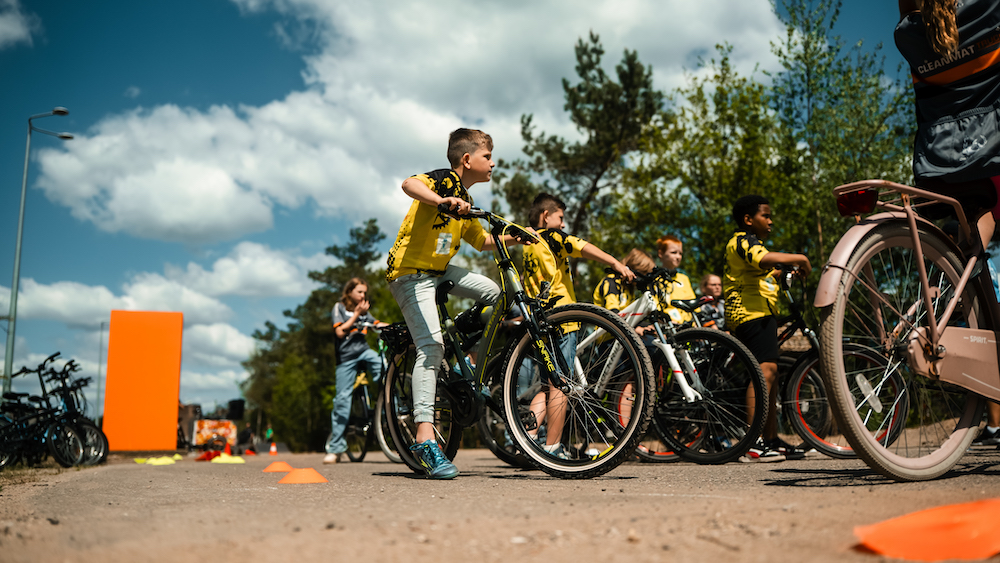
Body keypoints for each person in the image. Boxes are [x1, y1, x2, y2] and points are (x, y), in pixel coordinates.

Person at [386, 128, 527, 479]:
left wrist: (518, 236)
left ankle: (465, 358)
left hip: (439, 270)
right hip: (410, 273)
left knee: (497, 294)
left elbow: (483, 242)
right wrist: (441, 200)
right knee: (431, 347)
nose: (492, 163)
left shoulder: (465, 199)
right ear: (467, 159)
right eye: (487, 156)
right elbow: (408, 184)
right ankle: (424, 439)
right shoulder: (443, 181)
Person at [896, 0, 1000, 447]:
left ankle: (965, 292)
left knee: (971, 239)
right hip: (991, 145)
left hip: (939, 160)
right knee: (987, 215)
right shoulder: (988, 10)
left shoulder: (907, 32)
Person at [520, 193, 635, 457]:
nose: (563, 224)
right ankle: (553, 448)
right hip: (562, 317)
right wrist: (616, 263)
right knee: (561, 384)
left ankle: (527, 440)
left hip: (539, 320)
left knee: (547, 384)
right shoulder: (552, 237)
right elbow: (582, 246)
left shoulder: (528, 243)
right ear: (546, 216)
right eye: (560, 217)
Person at [724, 195, 811, 462]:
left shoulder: (751, 243)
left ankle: (770, 439)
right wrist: (801, 258)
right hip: (749, 312)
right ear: (748, 219)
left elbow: (761, 272)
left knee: (770, 373)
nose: (771, 221)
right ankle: (753, 443)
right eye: (766, 215)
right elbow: (763, 260)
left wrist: (783, 272)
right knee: (763, 372)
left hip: (760, 312)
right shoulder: (742, 240)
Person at [325, 277, 388, 464]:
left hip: (364, 352)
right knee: (342, 400)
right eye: (359, 291)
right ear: (349, 292)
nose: (363, 295)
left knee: (385, 369)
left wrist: (394, 326)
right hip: (346, 358)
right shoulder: (339, 308)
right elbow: (339, 332)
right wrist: (357, 315)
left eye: (364, 292)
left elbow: (376, 324)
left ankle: (388, 411)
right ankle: (335, 449)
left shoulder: (364, 312)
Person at [656, 235, 697, 325]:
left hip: (690, 326)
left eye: (680, 253)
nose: (678, 257)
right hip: (669, 326)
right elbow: (654, 305)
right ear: (661, 254)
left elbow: (693, 302)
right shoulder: (655, 279)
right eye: (673, 252)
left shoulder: (684, 278)